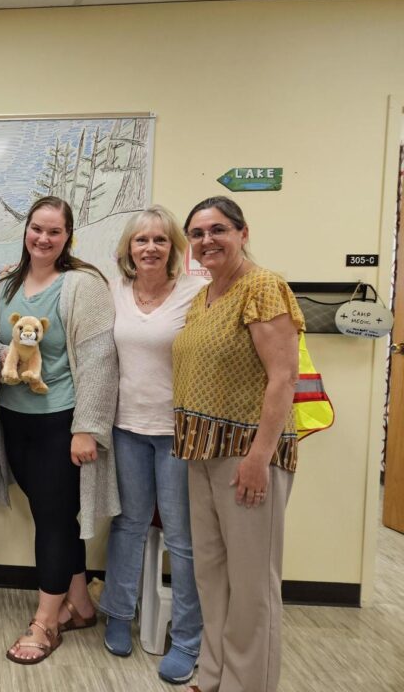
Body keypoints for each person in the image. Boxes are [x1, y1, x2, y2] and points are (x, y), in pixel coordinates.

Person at [172, 196, 303, 692]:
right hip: (202, 454)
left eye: (218, 230)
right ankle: (212, 678)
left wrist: (258, 459)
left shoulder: (262, 286)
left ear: (243, 233)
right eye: (199, 233)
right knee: (213, 578)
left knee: (252, 588)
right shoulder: (205, 296)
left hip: (247, 457)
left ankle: (248, 685)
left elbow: (283, 379)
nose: (208, 240)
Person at [0, 195, 119, 665]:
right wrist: (1, 355)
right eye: (36, 229)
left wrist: (87, 429)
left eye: (54, 232)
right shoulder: (6, 284)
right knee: (52, 516)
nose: (43, 238)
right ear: (26, 230)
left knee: (57, 520)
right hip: (14, 420)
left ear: (67, 237)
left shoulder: (83, 285)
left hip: (62, 423)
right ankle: (81, 606)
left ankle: (45, 624)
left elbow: (101, 362)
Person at [99, 205, 206, 684]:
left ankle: (186, 640)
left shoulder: (196, 293)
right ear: (127, 249)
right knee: (129, 524)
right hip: (127, 427)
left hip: (178, 433)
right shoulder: (115, 290)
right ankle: (118, 614)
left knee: (183, 540)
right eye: (141, 240)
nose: (149, 248)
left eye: (160, 240)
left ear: (174, 249)